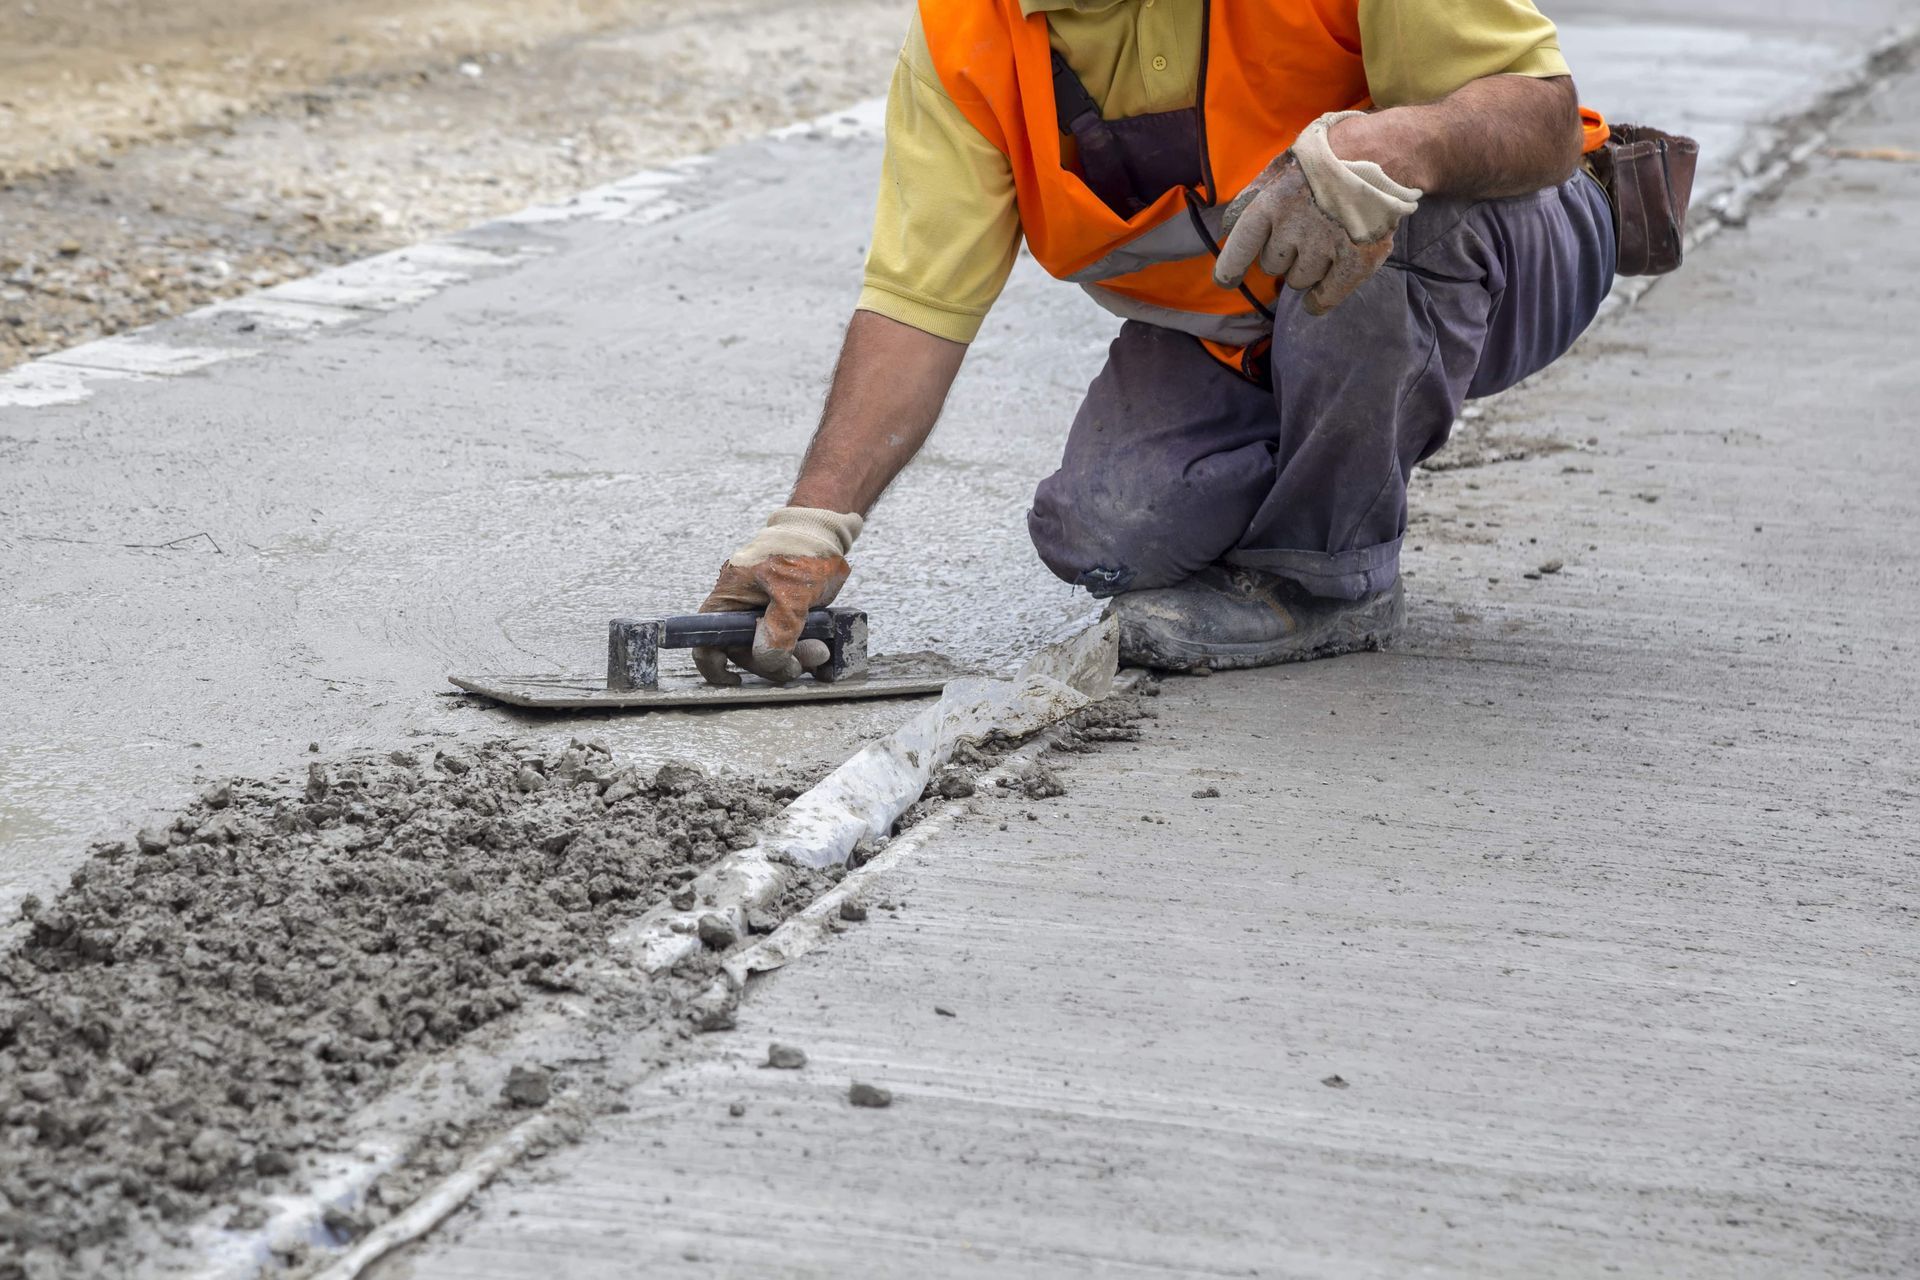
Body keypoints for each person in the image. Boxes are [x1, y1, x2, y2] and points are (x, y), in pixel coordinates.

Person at [692, 0, 1616, 687]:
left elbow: (1541, 114)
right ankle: (1309, 467)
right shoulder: (967, 37)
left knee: (1382, 208)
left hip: (1501, 249)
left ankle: (1327, 575)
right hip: (1243, 334)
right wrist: (813, 525)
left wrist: (1392, 144)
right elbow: (915, 306)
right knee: (1104, 534)